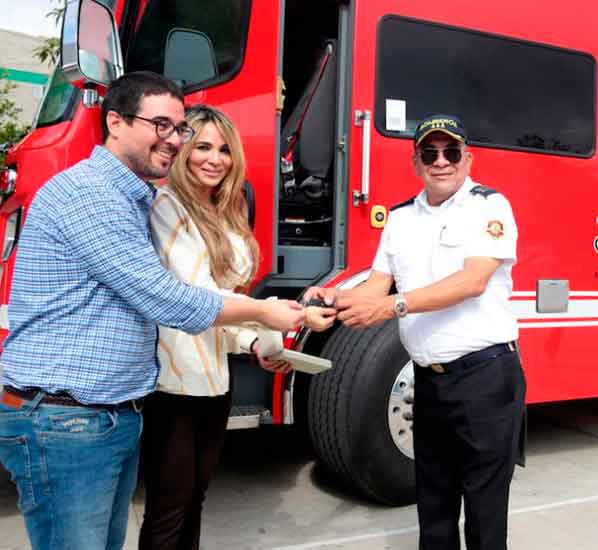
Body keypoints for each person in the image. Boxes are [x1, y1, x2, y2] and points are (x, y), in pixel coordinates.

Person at [0, 71, 305, 550]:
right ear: (116, 122)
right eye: (160, 125)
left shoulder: (131, 198)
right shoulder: (92, 196)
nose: (173, 140)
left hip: (105, 415)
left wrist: (252, 334)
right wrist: (265, 314)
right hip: (65, 420)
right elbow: (165, 298)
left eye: (178, 128)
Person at [308, 114, 525, 550]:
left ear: (468, 158)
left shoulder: (489, 206)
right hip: (427, 381)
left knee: (484, 516)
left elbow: (472, 282)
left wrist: (392, 305)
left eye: (451, 152)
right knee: (434, 508)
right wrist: (330, 299)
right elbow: (375, 285)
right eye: (430, 153)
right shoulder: (401, 217)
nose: (440, 161)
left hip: (485, 378)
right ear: (416, 163)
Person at [139, 104, 335, 549]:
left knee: (195, 500)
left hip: (213, 383)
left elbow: (219, 315)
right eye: (203, 146)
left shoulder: (226, 212)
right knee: (169, 509)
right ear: (184, 150)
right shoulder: (167, 205)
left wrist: (254, 345)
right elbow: (195, 297)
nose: (214, 159)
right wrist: (282, 314)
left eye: (224, 150)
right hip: (171, 384)